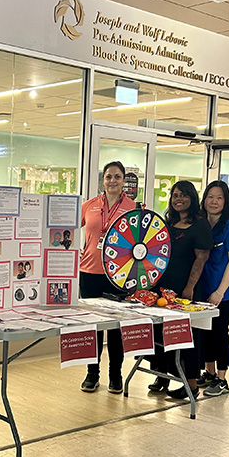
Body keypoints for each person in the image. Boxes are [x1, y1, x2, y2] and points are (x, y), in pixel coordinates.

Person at [148, 181, 211, 399]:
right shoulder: (168, 223)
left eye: (183, 195)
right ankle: (161, 375)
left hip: (186, 291)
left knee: (186, 338)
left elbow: (201, 258)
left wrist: (190, 287)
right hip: (162, 290)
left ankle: (191, 385)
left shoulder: (200, 225)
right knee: (160, 335)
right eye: (175, 195)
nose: (178, 199)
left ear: (192, 198)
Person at [79, 161, 137, 393]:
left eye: (117, 177)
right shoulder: (89, 205)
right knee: (93, 327)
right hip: (89, 272)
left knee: (116, 329)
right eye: (108, 177)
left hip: (119, 276)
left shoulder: (133, 207)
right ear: (103, 180)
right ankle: (92, 374)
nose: (112, 181)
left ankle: (116, 375)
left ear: (124, 181)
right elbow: (68, 230)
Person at [196, 180, 229, 398]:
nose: (214, 202)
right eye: (210, 197)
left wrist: (220, 292)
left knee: (219, 333)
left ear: (226, 201)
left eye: (219, 197)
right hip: (203, 288)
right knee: (205, 332)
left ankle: (222, 379)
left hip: (224, 291)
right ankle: (209, 373)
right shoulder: (200, 223)